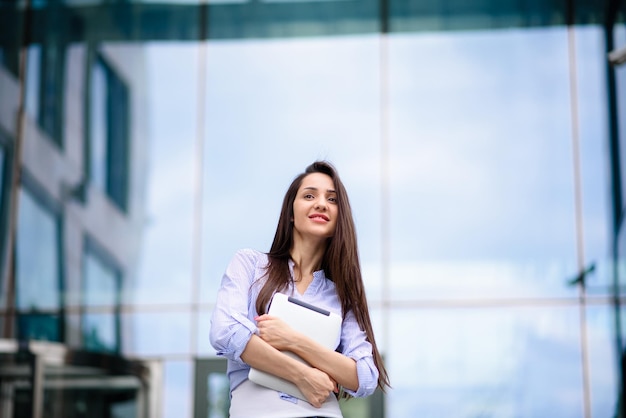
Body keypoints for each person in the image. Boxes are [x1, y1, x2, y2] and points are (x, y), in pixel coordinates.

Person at [209, 161, 390, 417]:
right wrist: (303, 374)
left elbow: (365, 376)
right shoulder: (250, 265)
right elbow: (225, 332)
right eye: (309, 196)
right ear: (291, 212)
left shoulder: (342, 296)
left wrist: (293, 340)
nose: (321, 204)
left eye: (332, 199)